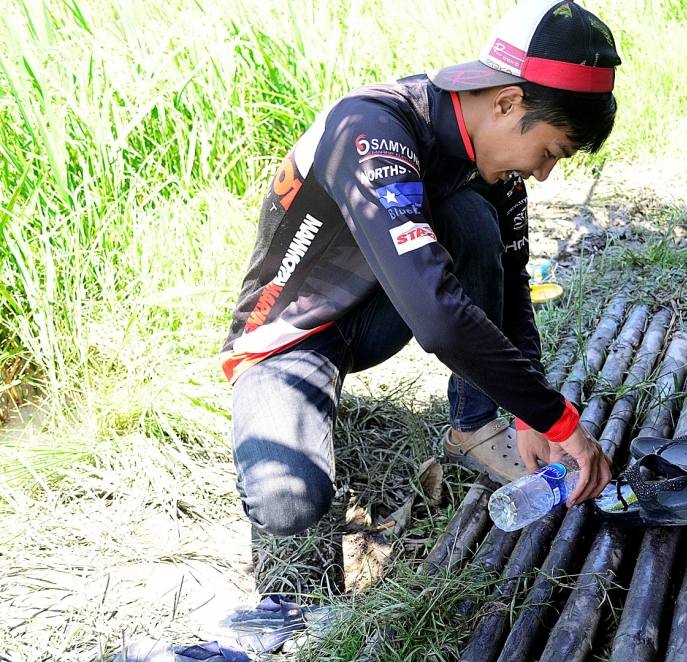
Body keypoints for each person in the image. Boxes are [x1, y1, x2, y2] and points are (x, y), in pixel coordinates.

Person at [220, 0, 618, 536]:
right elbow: (437, 317)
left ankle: (474, 426)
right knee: (287, 504)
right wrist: (558, 418)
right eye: (549, 151)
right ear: (507, 102)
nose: (542, 173)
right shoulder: (371, 128)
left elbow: (514, 286)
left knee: (474, 217)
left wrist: (526, 411)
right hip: (294, 331)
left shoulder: (495, 169)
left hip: (382, 311)